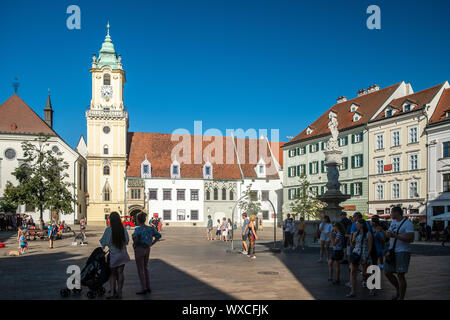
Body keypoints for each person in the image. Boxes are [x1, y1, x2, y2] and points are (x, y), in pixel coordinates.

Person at [383, 206, 414, 300]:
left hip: (402, 252)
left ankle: (401, 297)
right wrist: (385, 233)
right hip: (392, 251)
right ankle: (398, 289)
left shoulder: (408, 223)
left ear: (397, 213)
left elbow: (410, 239)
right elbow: (389, 233)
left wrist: (395, 236)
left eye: (391, 212)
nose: (390, 214)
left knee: (400, 275)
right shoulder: (393, 222)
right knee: (387, 272)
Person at [99, 211, 131, 299]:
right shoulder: (123, 229)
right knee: (120, 273)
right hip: (123, 254)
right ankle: (120, 292)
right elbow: (127, 241)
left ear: (111, 220)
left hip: (113, 255)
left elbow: (103, 242)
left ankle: (112, 293)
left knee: (112, 274)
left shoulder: (108, 229)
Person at [132, 212, 161, 295]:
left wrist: (135, 240)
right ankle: (148, 287)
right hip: (147, 249)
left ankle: (143, 288)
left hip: (139, 249)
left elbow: (135, 238)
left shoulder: (137, 229)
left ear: (138, 220)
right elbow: (158, 236)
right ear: (144, 220)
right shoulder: (150, 228)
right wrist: (152, 243)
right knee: (145, 267)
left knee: (140, 269)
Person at [347, 218, 373, 298]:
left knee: (365, 273)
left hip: (364, 255)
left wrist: (367, 257)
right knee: (353, 272)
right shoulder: (355, 233)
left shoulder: (368, 234)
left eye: (357, 224)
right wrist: (352, 238)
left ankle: (372, 289)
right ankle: (353, 291)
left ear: (362, 225)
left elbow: (370, 247)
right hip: (356, 254)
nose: (356, 225)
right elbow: (352, 246)